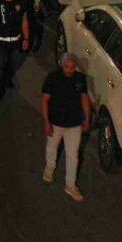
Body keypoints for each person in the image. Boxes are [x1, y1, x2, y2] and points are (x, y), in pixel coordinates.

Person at [40, 53, 91, 202]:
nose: (69, 70)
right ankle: (49, 167)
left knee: (73, 154)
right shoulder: (52, 78)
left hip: (74, 124)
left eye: (72, 67)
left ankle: (70, 184)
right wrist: (46, 121)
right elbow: (44, 101)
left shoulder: (80, 79)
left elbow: (84, 99)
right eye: (67, 66)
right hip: (56, 122)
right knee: (52, 147)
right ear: (62, 65)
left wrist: (86, 119)